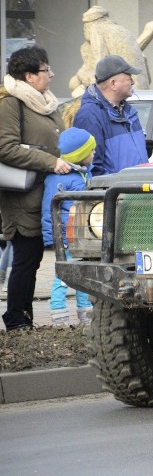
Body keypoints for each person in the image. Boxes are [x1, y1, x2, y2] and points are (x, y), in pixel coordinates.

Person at [0, 45, 71, 331]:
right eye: (45, 70)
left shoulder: (45, 102)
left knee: (34, 258)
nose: (51, 74)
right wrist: (50, 161)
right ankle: (17, 321)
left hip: (45, 194)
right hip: (21, 196)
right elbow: (5, 147)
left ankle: (24, 319)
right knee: (26, 259)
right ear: (29, 76)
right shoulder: (10, 104)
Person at [42, 127, 96, 326]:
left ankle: (85, 314)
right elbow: (50, 209)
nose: (94, 154)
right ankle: (58, 315)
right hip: (66, 238)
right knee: (62, 279)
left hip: (81, 237)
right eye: (91, 150)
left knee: (83, 275)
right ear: (81, 155)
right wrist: (52, 237)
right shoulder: (58, 179)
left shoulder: (84, 175)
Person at [72, 55, 149, 176]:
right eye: (129, 77)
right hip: (117, 192)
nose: (133, 82)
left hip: (134, 191)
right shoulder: (89, 115)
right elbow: (92, 168)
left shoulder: (129, 111)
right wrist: (115, 191)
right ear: (113, 83)